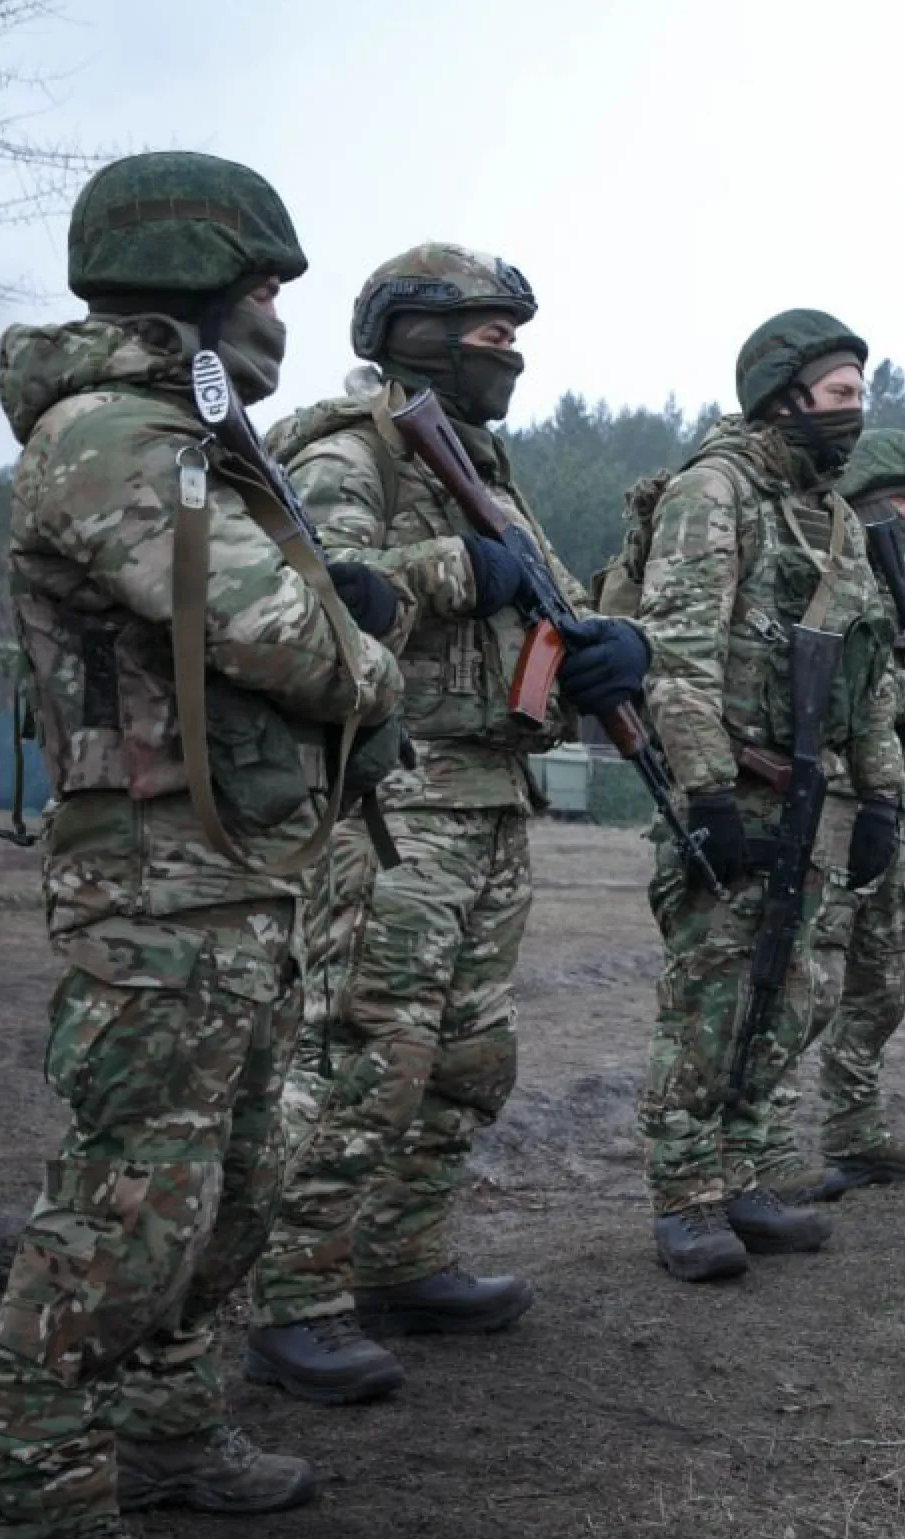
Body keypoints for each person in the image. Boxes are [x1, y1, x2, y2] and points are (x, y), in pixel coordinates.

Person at [0, 151, 406, 1539]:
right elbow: (271, 631)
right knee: (125, 1204)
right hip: (154, 893)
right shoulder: (106, 435)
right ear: (189, 276)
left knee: (233, 1190)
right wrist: (369, 646)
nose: (277, 308)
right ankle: (34, 1519)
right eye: (263, 282)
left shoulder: (197, 434)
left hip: (237, 878)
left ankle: (164, 1428)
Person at [241, 244, 644, 1401]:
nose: (507, 349)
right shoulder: (348, 448)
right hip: (392, 798)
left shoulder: (490, 474)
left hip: (487, 803)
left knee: (470, 1061)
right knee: (370, 1050)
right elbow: (311, 595)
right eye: (485, 330)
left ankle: (398, 1258)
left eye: (514, 333)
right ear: (412, 332)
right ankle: (293, 1294)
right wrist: (455, 567)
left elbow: (548, 619)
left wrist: (613, 651)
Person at [610, 309, 904, 1282]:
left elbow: (867, 674)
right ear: (783, 397)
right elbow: (679, 655)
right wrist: (706, 792)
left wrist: (885, 799)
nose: (854, 414)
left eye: (861, 395)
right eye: (839, 395)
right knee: (709, 999)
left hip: (810, 799)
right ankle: (685, 1196)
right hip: (730, 789)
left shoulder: (833, 522)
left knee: (793, 993)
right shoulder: (713, 492)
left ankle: (741, 1176)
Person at [758, 429, 905, 1199]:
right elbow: (856, 682)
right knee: (808, 975)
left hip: (899, 797)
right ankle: (768, 1143)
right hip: (840, 797)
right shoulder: (835, 569)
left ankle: (854, 1129)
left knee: (883, 981)